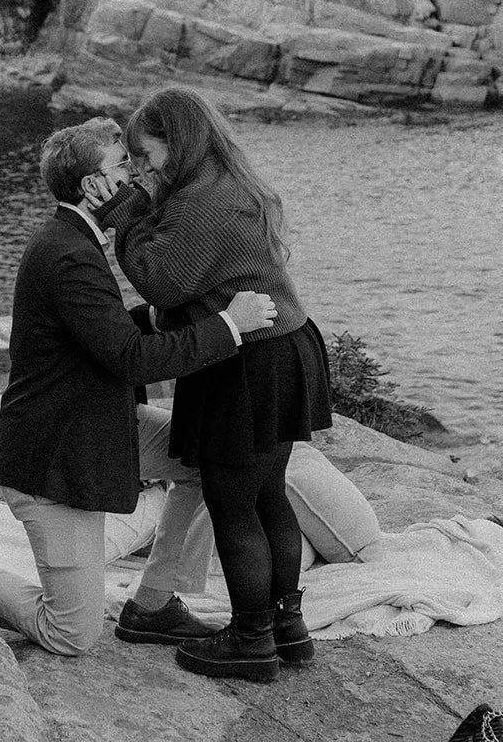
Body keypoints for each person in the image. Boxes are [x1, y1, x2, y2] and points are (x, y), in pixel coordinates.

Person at [0, 116, 278, 657]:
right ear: (92, 186)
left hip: (98, 424)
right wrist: (228, 325)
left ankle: (153, 604)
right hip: (56, 456)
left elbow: (104, 330)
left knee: (212, 460)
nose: (136, 175)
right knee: (71, 634)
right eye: (122, 165)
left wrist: (160, 314)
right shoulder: (69, 254)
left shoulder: (74, 239)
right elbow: (130, 360)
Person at [90, 86, 333, 683]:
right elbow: (199, 290)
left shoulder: (204, 199)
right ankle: (285, 629)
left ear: (179, 141)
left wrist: (121, 213)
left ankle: (250, 641)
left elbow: (163, 281)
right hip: (283, 351)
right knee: (267, 494)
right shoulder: (227, 182)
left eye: (147, 155)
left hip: (246, 364)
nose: (143, 169)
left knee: (232, 505)